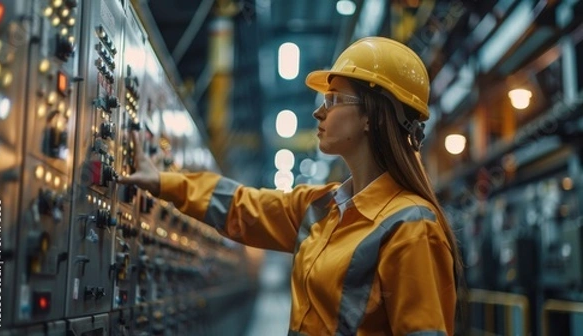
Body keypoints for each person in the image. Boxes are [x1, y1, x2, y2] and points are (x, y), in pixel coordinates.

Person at [118, 36, 463, 336]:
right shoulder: (323, 207)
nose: (319, 113)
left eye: (333, 101)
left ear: (373, 116)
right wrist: (164, 182)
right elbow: (242, 206)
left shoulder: (412, 227)